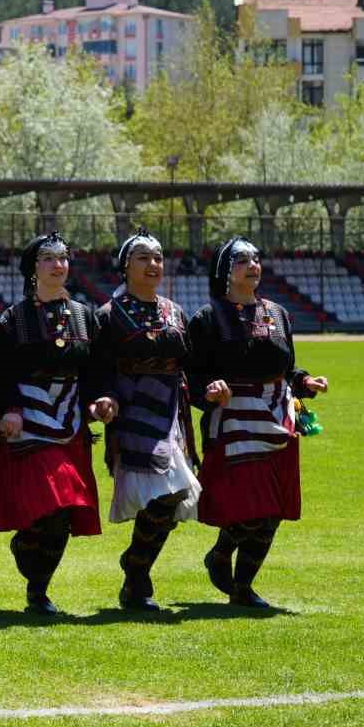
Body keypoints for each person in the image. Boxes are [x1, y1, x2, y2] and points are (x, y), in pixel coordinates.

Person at [187, 238, 328, 609]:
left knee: (273, 508)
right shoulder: (207, 318)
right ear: (225, 272)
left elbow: (288, 365)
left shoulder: (278, 313)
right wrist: (209, 390)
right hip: (233, 421)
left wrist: (304, 382)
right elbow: (193, 377)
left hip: (279, 418)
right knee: (251, 506)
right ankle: (221, 554)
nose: (253, 265)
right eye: (242, 260)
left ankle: (242, 585)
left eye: (256, 258)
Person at [0, 234, 111, 615]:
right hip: (27, 422)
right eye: (48, 258)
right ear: (32, 268)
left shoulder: (86, 316)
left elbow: (96, 372)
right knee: (47, 508)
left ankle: (38, 590)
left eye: (63, 258)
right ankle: (26, 550)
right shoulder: (12, 318)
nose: (58, 265)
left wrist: (101, 400)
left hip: (71, 422)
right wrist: (5, 411)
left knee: (65, 512)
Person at [92, 228, 200, 611]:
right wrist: (104, 397)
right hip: (133, 409)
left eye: (157, 257)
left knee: (175, 495)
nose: (153, 264)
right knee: (167, 491)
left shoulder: (175, 312)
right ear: (125, 266)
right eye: (143, 257)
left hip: (171, 410)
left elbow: (191, 365)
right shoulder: (107, 315)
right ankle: (137, 570)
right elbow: (99, 368)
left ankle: (135, 569)